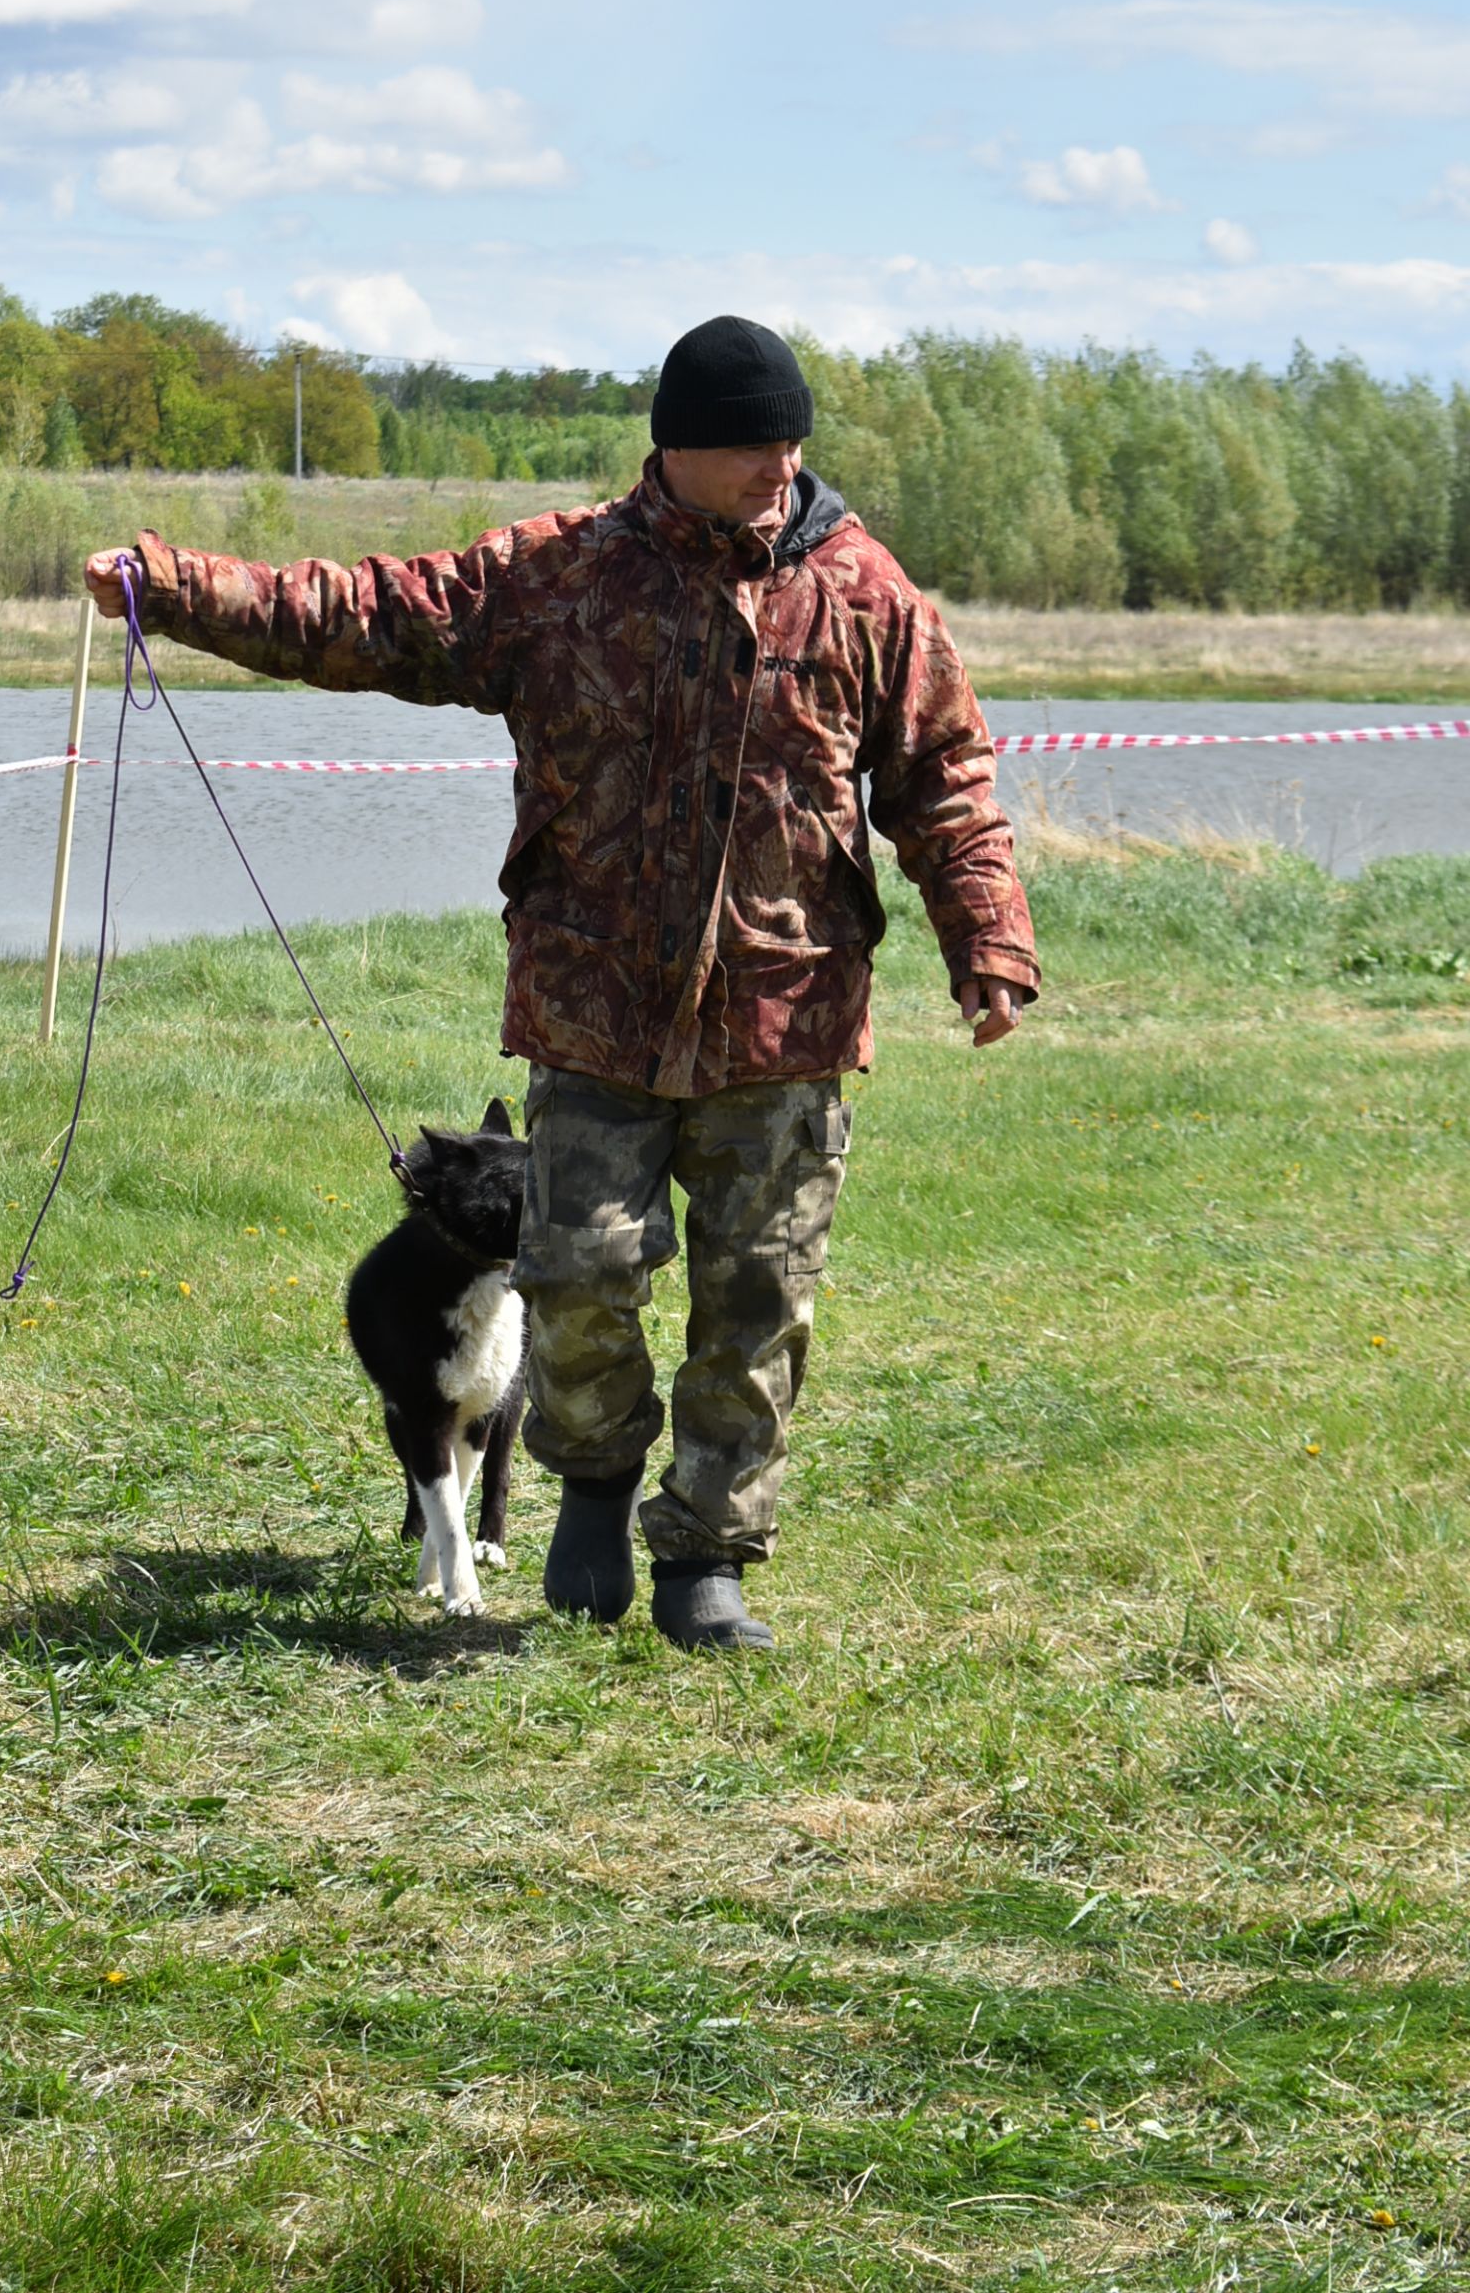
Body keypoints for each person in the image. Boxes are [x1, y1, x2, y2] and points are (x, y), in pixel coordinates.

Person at [86, 314, 1037, 1651]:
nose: (779, 462)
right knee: (582, 1281)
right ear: (676, 450)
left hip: (788, 1013)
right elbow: (368, 614)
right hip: (595, 1011)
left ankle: (709, 1559)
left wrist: (990, 943)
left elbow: (945, 784)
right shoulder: (565, 575)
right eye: (749, 442)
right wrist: (169, 587)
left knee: (758, 1302)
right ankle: (591, 1480)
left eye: (791, 439)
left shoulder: (870, 595)